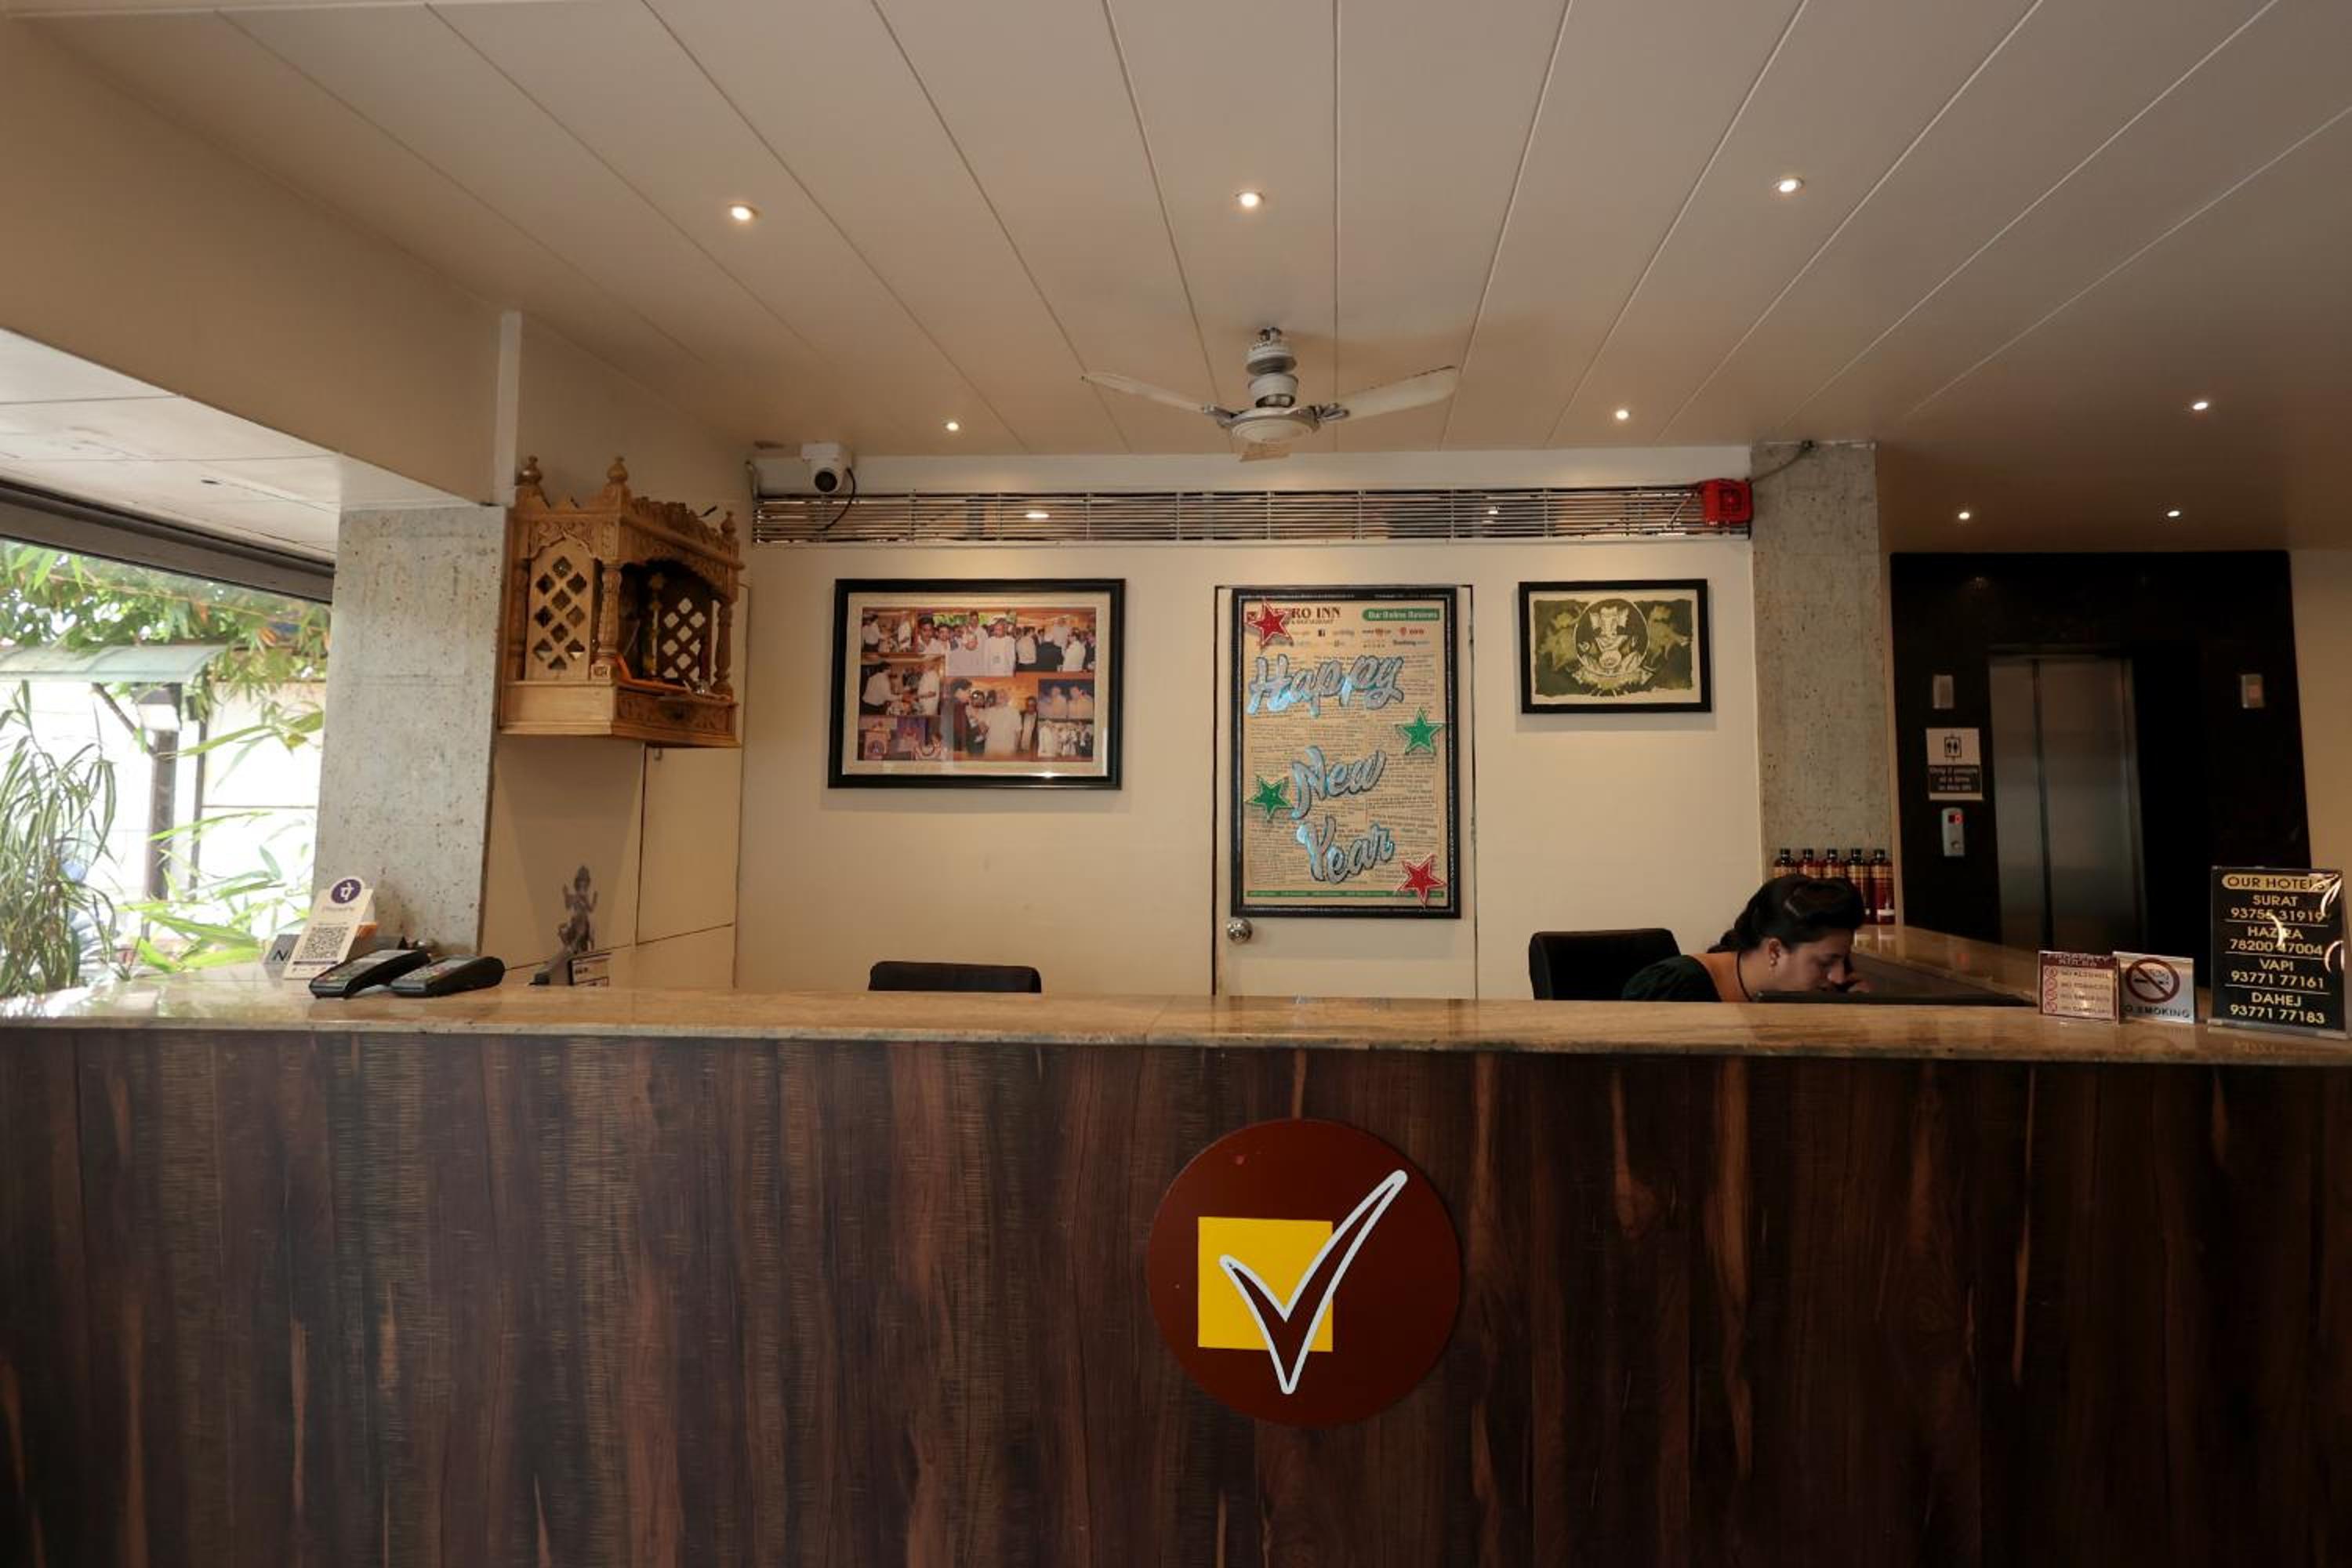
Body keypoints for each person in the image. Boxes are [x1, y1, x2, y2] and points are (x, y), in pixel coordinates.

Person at [1621, 875, 1868, 1002]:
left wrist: (1856, 1019)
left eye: (1843, 961)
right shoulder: (1673, 989)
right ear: (1775, 951)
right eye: (1826, 963)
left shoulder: (1801, 999)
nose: (1839, 977)